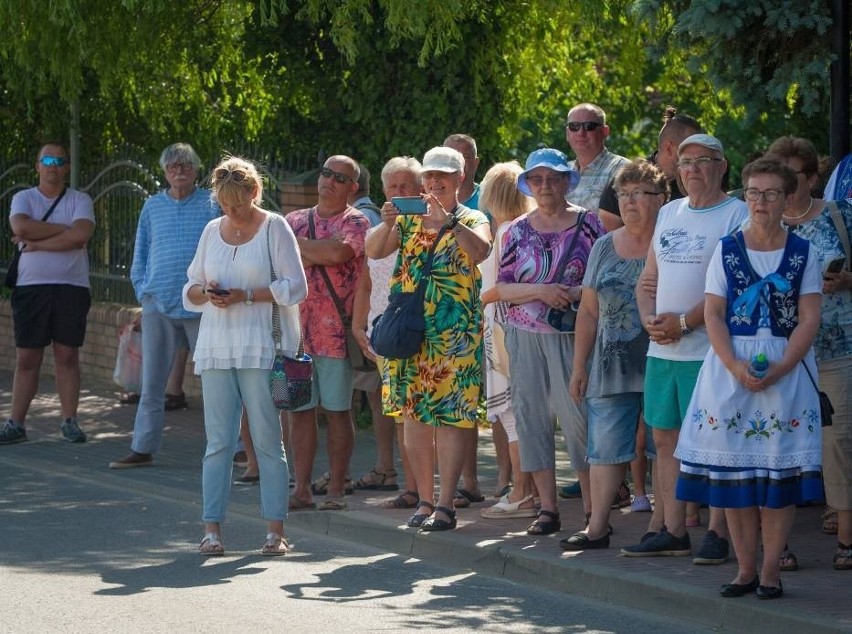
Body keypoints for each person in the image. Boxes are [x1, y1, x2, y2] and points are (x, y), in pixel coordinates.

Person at [675, 159, 823, 599]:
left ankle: (772, 570)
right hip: (729, 366)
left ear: (786, 198)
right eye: (754, 193)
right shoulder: (726, 249)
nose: (760, 202)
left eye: (771, 193)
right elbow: (714, 314)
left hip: (787, 368)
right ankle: (744, 569)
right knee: (732, 480)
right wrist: (735, 366)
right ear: (746, 196)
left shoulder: (803, 252)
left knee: (778, 484)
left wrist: (781, 367)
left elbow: (809, 318)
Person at [622, 134, 749, 562]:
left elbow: (734, 287)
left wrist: (682, 323)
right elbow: (648, 279)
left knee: (715, 442)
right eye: (686, 161)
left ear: (722, 165)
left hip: (711, 350)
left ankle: (717, 533)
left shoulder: (738, 214)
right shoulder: (670, 212)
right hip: (664, 351)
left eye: (703, 161)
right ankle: (674, 530)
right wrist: (648, 318)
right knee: (665, 440)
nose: (693, 169)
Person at [183, 156, 307, 556]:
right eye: (224, 204)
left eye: (238, 203)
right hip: (218, 347)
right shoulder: (210, 230)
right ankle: (211, 530)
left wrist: (247, 295)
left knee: (269, 441)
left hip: (262, 348)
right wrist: (208, 292)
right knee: (218, 442)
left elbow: (296, 286)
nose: (232, 211)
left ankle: (275, 529)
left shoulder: (275, 227)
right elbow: (190, 288)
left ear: (255, 193)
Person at [365, 146, 491, 531]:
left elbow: (482, 250)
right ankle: (423, 499)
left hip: (453, 336)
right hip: (410, 335)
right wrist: (387, 222)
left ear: (459, 181)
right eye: (430, 176)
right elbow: (373, 250)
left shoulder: (472, 217)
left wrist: (450, 222)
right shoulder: (409, 217)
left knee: (451, 418)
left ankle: (446, 503)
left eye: (444, 176)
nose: (435, 182)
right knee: (414, 416)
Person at [495, 148, 605, 536]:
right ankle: (547, 508)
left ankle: (594, 510)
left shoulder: (589, 224)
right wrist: (541, 289)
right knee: (530, 419)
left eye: (552, 178)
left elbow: (603, 280)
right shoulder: (517, 229)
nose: (545, 186)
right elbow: (500, 288)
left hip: (573, 334)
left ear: (565, 181)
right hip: (524, 335)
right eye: (537, 179)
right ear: (529, 184)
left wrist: (573, 294)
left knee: (579, 420)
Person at [561, 160, 667, 550]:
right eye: (623, 194)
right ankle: (597, 526)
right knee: (604, 448)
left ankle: (661, 525)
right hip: (611, 366)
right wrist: (578, 366)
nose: (630, 202)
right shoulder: (604, 246)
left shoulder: (671, 241)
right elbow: (588, 311)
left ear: (662, 198)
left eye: (639, 193)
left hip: (664, 362)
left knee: (664, 448)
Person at [765, 136, 852, 570]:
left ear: (813, 178)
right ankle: (779, 547)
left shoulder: (841, 215)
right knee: (780, 440)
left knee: (838, 440)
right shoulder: (761, 224)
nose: (782, 186)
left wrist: (848, 280)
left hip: (837, 343)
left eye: (792, 177)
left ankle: (847, 539)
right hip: (780, 351)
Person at [109, 143, 218, 468]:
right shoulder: (152, 206)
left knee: (216, 380)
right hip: (158, 304)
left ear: (196, 170)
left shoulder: (212, 204)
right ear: (165, 172)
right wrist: (143, 291)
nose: (179, 171)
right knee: (151, 383)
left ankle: (236, 447)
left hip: (201, 305)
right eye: (173, 167)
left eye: (185, 165)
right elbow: (140, 252)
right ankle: (142, 447)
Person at [286, 155, 369, 511]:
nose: (329, 181)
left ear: (353, 188)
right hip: (292, 336)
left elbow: (339, 252)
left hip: (334, 335)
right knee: (297, 412)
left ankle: (337, 488)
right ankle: (301, 488)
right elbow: (275, 260)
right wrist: (314, 252)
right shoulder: (292, 220)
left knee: (337, 411)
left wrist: (297, 250)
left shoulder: (358, 221)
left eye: (339, 178)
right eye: (325, 173)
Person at [1, 142, 95, 445]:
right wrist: (63, 231)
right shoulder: (23, 198)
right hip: (31, 288)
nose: (53, 166)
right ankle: (16, 423)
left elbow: (81, 235)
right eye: (47, 160)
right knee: (28, 357)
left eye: (59, 161)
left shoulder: (80, 199)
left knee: (67, 355)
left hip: (72, 287)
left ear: (67, 167)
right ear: (37, 165)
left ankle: (70, 421)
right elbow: (20, 226)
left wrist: (38, 241)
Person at [350, 156, 425, 502]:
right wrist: (358, 324)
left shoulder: (428, 227)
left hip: (419, 332)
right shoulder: (376, 232)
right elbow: (365, 282)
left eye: (406, 186)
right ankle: (411, 488)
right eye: (393, 186)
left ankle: (431, 490)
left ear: (420, 190)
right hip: (383, 333)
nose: (398, 192)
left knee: (422, 413)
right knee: (398, 413)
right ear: (382, 190)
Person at [478, 161, 538, 519]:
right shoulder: (526, 227)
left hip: (502, 328)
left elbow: (492, 290)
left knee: (514, 415)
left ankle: (521, 490)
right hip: (517, 326)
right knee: (523, 414)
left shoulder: (505, 232)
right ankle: (526, 489)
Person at [443, 133, 485, 508]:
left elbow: (485, 249)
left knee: (467, 402)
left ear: (473, 162)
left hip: (473, 313)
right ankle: (436, 493)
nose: (457, 161)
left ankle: (473, 480)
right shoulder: (420, 208)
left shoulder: (481, 201)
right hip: (432, 322)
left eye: (464, 156)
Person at [564, 103, 628, 232]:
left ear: (605, 131)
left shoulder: (623, 170)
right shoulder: (560, 172)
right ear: (567, 133)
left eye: (589, 126)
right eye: (574, 127)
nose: (581, 132)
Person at [444, 133, 481, 210]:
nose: (459, 161)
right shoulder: (427, 201)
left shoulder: (489, 199)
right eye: (452, 157)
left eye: (466, 156)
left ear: (476, 163)